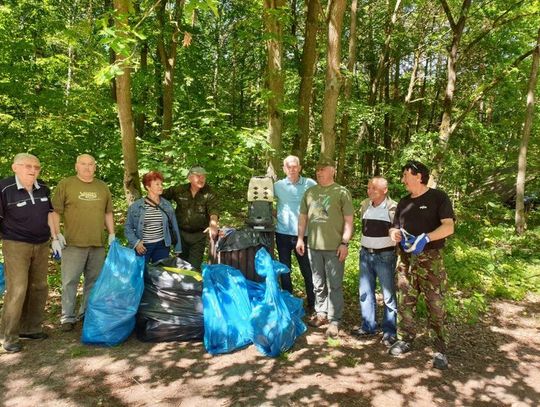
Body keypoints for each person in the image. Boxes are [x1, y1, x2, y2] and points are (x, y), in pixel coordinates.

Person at [388, 160, 455, 370]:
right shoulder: (403, 202)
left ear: (419, 176)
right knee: (405, 301)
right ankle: (405, 338)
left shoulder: (438, 197)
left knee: (436, 303)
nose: (403, 179)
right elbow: (393, 228)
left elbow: (449, 227)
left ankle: (440, 349)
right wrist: (395, 234)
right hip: (406, 261)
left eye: (406, 175)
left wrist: (426, 238)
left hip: (431, 260)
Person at [51, 154, 115, 332]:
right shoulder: (66, 184)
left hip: (97, 243)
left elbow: (108, 212)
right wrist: (56, 235)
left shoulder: (102, 187)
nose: (87, 167)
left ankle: (86, 313)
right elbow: (55, 211)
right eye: (83, 164)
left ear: (95, 167)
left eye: (91, 164)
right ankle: (67, 317)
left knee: (93, 281)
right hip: (72, 243)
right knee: (69, 281)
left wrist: (112, 234)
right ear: (76, 166)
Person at [0, 153, 57, 353]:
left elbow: (50, 214)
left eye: (36, 167)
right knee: (17, 289)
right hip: (15, 244)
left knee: (39, 287)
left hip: (42, 243)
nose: (33, 170)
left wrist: (56, 238)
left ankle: (31, 328)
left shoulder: (43, 187)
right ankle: (9, 336)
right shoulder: (4, 188)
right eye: (28, 166)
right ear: (15, 167)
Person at [296, 158, 354, 338]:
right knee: (317, 282)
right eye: (317, 169)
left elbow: (349, 221)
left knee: (334, 284)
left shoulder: (341, 192)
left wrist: (344, 243)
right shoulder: (310, 192)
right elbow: (303, 217)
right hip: (313, 246)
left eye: (322, 169)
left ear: (332, 171)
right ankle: (321, 313)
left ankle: (335, 319)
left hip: (334, 247)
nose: (318, 172)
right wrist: (300, 239)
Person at [353, 176, 398, 347]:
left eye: (373, 188)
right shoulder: (365, 204)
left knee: (388, 295)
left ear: (384, 190)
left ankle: (389, 331)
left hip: (385, 256)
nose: (369, 191)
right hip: (365, 255)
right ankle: (368, 326)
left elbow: (398, 231)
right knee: (365, 292)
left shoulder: (393, 207)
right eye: (368, 187)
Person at [274, 155, 317, 311]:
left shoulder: (310, 183)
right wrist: (276, 214)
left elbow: (319, 204)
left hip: (304, 235)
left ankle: (313, 303)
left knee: (307, 270)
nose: (292, 169)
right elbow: (265, 202)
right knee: (285, 270)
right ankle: (288, 302)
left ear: (299, 167)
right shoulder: (278, 185)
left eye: (295, 166)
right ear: (284, 168)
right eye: (289, 167)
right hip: (282, 234)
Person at [163, 166, 219, 271]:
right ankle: (180, 287)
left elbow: (214, 210)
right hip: (180, 235)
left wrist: (213, 225)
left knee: (194, 267)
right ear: (189, 178)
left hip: (198, 236)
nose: (201, 179)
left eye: (203, 176)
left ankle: (192, 287)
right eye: (198, 176)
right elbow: (160, 195)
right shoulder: (179, 190)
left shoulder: (209, 193)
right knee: (180, 265)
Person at [124, 171, 182, 263]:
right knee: (140, 274)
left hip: (162, 246)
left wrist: (178, 248)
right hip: (143, 247)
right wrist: (136, 243)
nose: (161, 186)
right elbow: (128, 227)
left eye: (161, 184)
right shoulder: (136, 206)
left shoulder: (166, 205)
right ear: (148, 187)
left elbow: (174, 226)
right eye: (157, 184)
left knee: (160, 275)